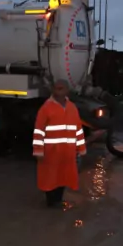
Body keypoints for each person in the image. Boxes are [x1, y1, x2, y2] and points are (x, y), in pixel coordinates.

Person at [32, 79, 87, 207]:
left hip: (67, 152)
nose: (59, 91)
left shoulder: (72, 108)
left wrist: (81, 148)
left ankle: (58, 200)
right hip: (51, 152)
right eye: (57, 88)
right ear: (53, 90)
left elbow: (78, 129)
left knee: (63, 176)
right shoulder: (45, 108)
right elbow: (39, 131)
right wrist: (38, 151)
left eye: (62, 88)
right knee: (50, 177)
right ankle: (51, 202)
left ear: (67, 90)